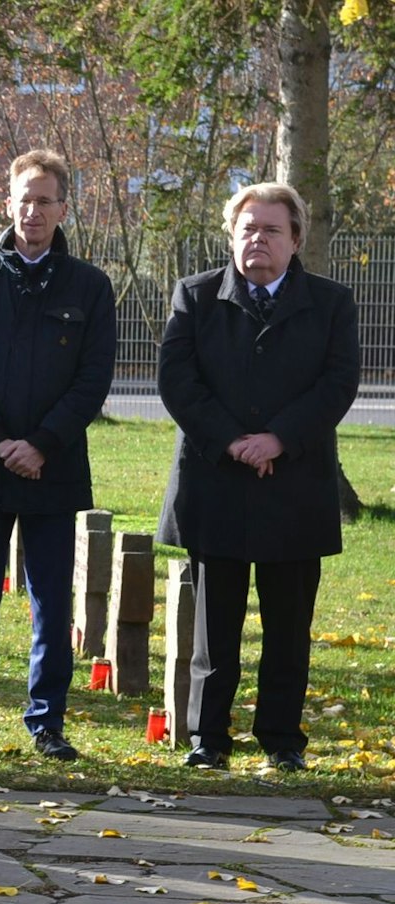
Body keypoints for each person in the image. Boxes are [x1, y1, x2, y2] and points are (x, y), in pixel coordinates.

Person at [158, 182, 359, 772]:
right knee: (214, 629)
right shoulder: (195, 297)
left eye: (271, 230)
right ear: (231, 235)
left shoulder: (331, 303)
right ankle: (208, 739)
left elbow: (338, 383)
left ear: (296, 239)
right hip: (216, 483)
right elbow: (179, 381)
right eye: (247, 228)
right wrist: (232, 441)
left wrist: (279, 439)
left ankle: (281, 739)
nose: (257, 240)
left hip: (294, 487)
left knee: (289, 627)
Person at [0, 150, 116, 762]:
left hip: (53, 469)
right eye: (23, 199)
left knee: (51, 604)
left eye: (45, 200)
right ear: (6, 204)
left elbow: (93, 380)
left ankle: (47, 722)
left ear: (64, 208)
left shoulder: (89, 286)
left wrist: (40, 444)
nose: (33, 211)